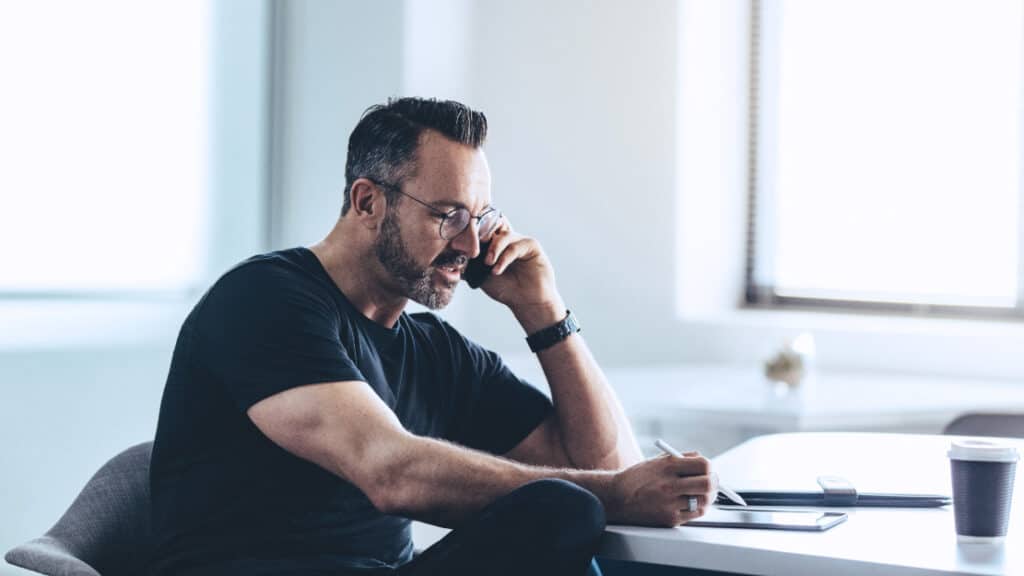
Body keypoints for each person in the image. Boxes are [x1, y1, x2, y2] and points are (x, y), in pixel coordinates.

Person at [147, 97, 717, 576]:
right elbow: (390, 471)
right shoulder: (264, 299)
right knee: (566, 509)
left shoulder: (435, 352)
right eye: (448, 216)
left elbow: (607, 466)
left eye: (480, 219)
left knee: (563, 512)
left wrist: (546, 315)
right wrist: (613, 494)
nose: (470, 247)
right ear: (367, 201)